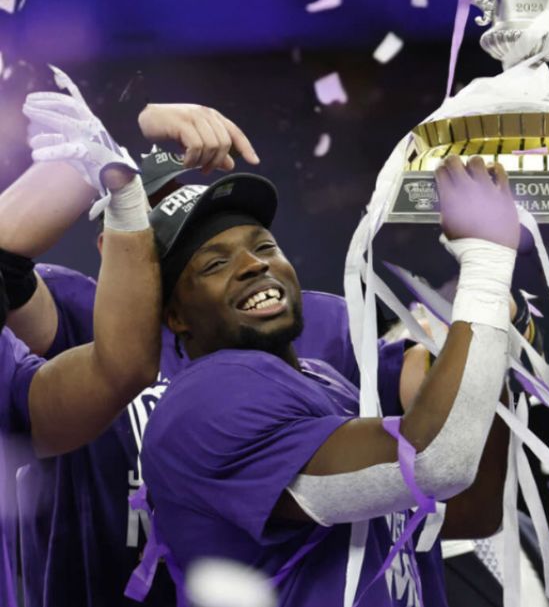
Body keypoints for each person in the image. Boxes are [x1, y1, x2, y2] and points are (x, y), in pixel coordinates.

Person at [139, 155, 519, 605]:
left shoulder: (325, 380)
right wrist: (486, 269)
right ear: (176, 317)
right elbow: (435, 462)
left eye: (264, 247)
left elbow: (472, 510)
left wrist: (493, 336)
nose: (253, 264)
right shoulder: (205, 401)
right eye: (214, 264)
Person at [0, 82, 271, 606]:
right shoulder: (84, 315)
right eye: (153, 212)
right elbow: (4, 267)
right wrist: (126, 129)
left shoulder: (290, 331)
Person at [0, 87, 168, 607]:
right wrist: (112, 145)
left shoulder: (311, 334)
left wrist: (113, 164)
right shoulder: (83, 311)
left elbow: (124, 369)